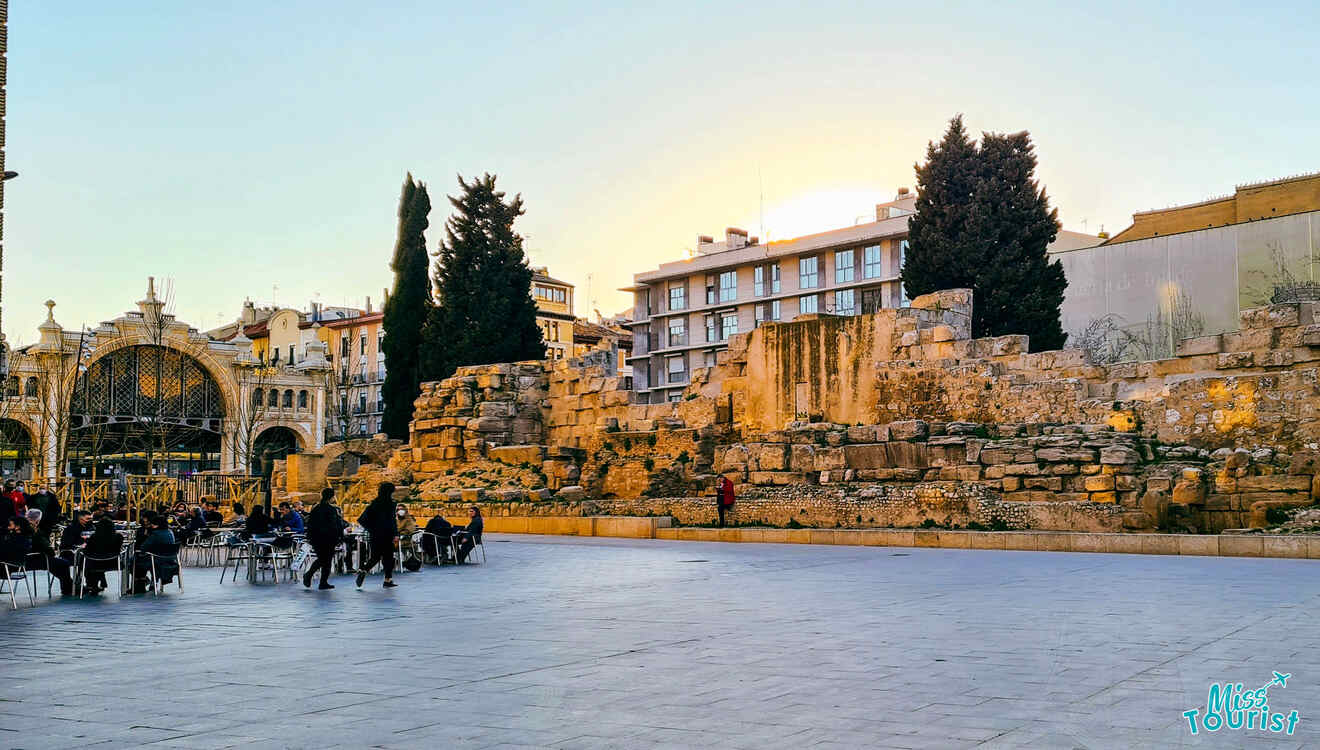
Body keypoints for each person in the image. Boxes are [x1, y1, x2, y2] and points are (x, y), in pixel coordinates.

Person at [355, 482, 398, 588]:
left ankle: (364, 570)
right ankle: (387, 580)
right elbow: (392, 521)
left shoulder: (374, 504)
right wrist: (395, 534)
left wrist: (372, 529)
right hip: (387, 535)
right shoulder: (390, 504)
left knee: (375, 557)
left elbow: (361, 520)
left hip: (375, 535)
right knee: (388, 558)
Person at [24, 509, 74, 595]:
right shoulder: (35, 531)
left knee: (57, 565)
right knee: (63, 564)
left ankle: (71, 587)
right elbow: (47, 549)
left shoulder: (20, 527)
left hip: (23, 559)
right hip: (34, 559)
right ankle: (69, 588)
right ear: (38, 521)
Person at [302, 488, 343, 590]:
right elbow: (335, 525)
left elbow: (310, 524)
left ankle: (314, 577)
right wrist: (339, 537)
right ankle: (317, 579)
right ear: (332, 497)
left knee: (322, 559)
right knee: (326, 560)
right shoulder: (332, 510)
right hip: (328, 539)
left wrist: (310, 537)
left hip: (316, 538)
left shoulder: (315, 509)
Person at [133, 516, 178, 593]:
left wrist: (145, 536)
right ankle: (153, 581)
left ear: (157, 525)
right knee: (151, 558)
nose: (151, 526)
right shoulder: (170, 532)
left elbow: (143, 548)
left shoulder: (155, 534)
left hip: (157, 560)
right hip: (171, 560)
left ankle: (141, 582)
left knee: (133, 561)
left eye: (152, 524)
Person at [81, 518, 124, 594]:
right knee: (101, 559)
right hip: (113, 563)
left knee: (88, 560)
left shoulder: (94, 537)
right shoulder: (118, 537)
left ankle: (92, 585)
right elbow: (118, 550)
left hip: (95, 563)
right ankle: (101, 581)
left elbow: (87, 551)